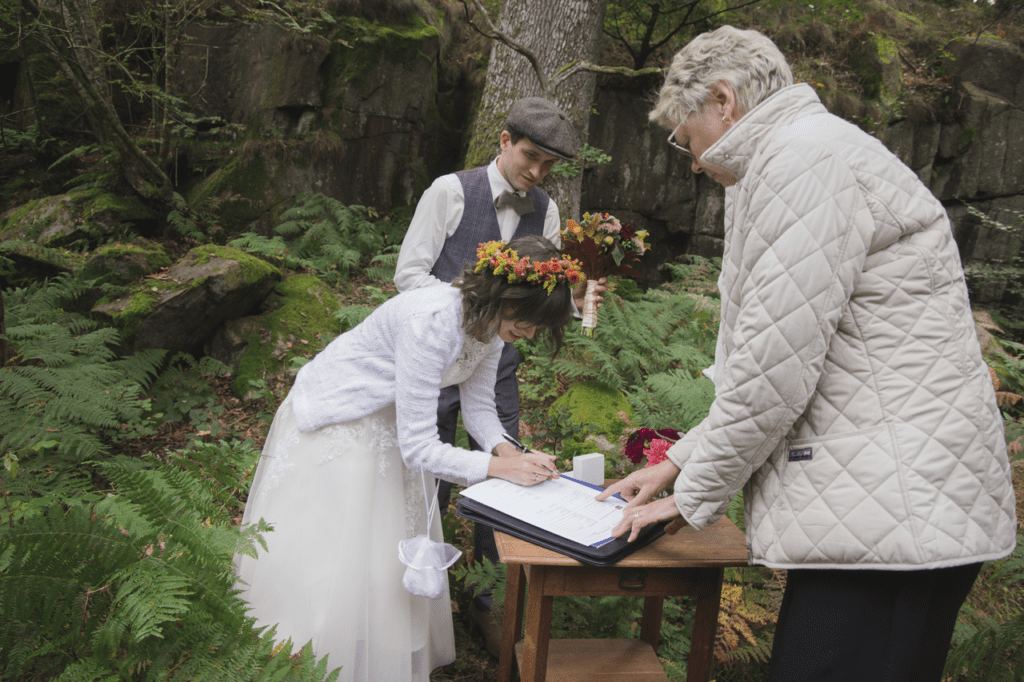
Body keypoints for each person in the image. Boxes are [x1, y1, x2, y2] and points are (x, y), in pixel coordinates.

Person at [597, 25, 1017, 682]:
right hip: (890, 506)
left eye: (685, 133)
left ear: (724, 100)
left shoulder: (803, 162)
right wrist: (679, 461)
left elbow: (774, 374)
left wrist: (691, 496)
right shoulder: (803, 154)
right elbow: (776, 362)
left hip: (893, 513)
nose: (689, 156)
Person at [236, 236, 582, 682]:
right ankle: (314, 650)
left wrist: (511, 451)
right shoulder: (433, 321)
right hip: (341, 416)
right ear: (505, 297)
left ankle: (371, 646)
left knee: (381, 539)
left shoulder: (492, 325)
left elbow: (479, 409)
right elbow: (419, 448)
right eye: (530, 321)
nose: (531, 334)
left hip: (391, 418)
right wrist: (499, 469)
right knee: (338, 541)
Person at [394, 96, 605, 653]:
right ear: (505, 140)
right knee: (427, 481)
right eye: (528, 156)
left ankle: (489, 604)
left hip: (497, 366)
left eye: (547, 166)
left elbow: (539, 297)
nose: (535, 173)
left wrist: (575, 296)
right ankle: (418, 596)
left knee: (503, 470)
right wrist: (472, 311)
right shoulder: (449, 191)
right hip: (432, 358)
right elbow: (408, 275)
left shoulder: (547, 213)